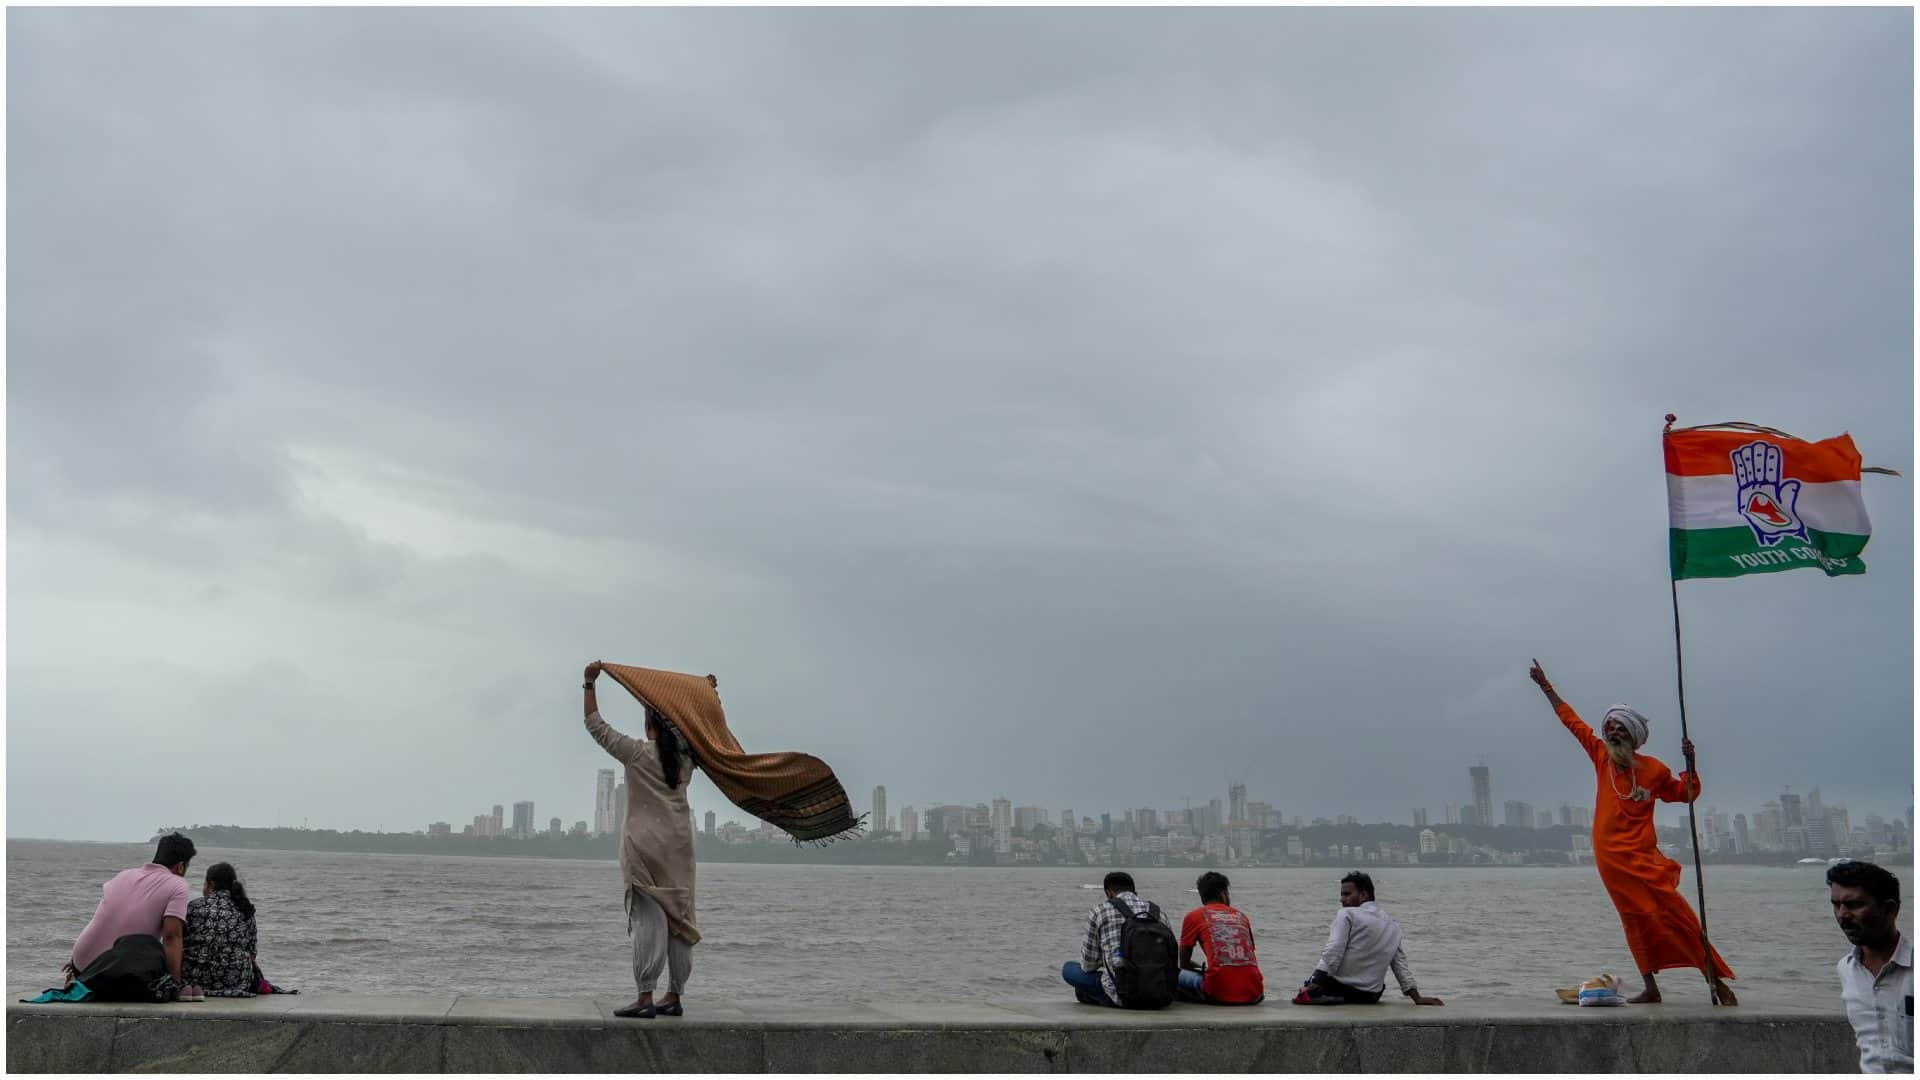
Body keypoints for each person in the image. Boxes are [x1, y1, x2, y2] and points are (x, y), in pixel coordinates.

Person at [1529, 659, 1737, 1005]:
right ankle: (1650, 986)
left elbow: (1685, 793)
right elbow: (1572, 722)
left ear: (1634, 737)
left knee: (1675, 915)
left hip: (1642, 858)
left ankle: (1714, 980)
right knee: (1633, 920)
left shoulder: (1654, 770)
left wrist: (1691, 764)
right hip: (1611, 860)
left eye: (1619, 730)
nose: (1612, 734)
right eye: (1609, 729)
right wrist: (1546, 687)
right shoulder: (1601, 757)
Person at [583, 660, 699, 1019]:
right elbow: (705, 731)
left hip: (643, 846)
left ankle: (645, 996)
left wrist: (589, 683)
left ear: (649, 727)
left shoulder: (636, 753)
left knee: (647, 916)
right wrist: (708, 697)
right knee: (681, 917)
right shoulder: (686, 759)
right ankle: (674, 995)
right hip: (679, 847)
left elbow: (596, 725)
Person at [66, 832, 194, 992]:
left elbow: (104, 920)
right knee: (154, 949)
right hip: (111, 972)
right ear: (181, 866)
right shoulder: (178, 885)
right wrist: (175, 984)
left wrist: (78, 961)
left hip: (80, 964)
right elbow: (171, 937)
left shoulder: (124, 875)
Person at [1295, 872, 1443, 1006]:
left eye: (1347, 894)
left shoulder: (1347, 914)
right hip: (1371, 996)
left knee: (1303, 994)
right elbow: (1399, 965)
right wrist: (1417, 998)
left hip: (1341, 989)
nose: (1342, 899)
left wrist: (1314, 982)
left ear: (1363, 895)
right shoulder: (1393, 926)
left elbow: (1334, 950)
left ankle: (1327, 995)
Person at [1829, 860, 1912, 1073]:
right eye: (1836, 904)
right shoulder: (1846, 969)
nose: (1842, 914)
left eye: (1854, 904)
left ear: (1890, 909)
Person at [1062, 871, 1178, 1008]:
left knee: (1068, 969)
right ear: (1135, 892)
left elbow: (1088, 965)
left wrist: (1105, 960)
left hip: (1121, 995)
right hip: (1161, 994)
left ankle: (1089, 994)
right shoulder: (1158, 914)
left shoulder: (1100, 911)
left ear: (1108, 893)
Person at [1177, 871, 1265, 1005]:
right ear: (1223, 894)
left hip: (1218, 992)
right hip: (1255, 992)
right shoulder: (1241, 916)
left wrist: (1203, 970)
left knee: (1173, 973)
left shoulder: (1193, 917)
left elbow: (1184, 964)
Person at [183, 863, 258, 998]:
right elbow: (252, 953)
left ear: (210, 884)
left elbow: (179, 941)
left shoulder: (194, 906)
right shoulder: (245, 908)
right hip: (238, 981)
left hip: (196, 979)